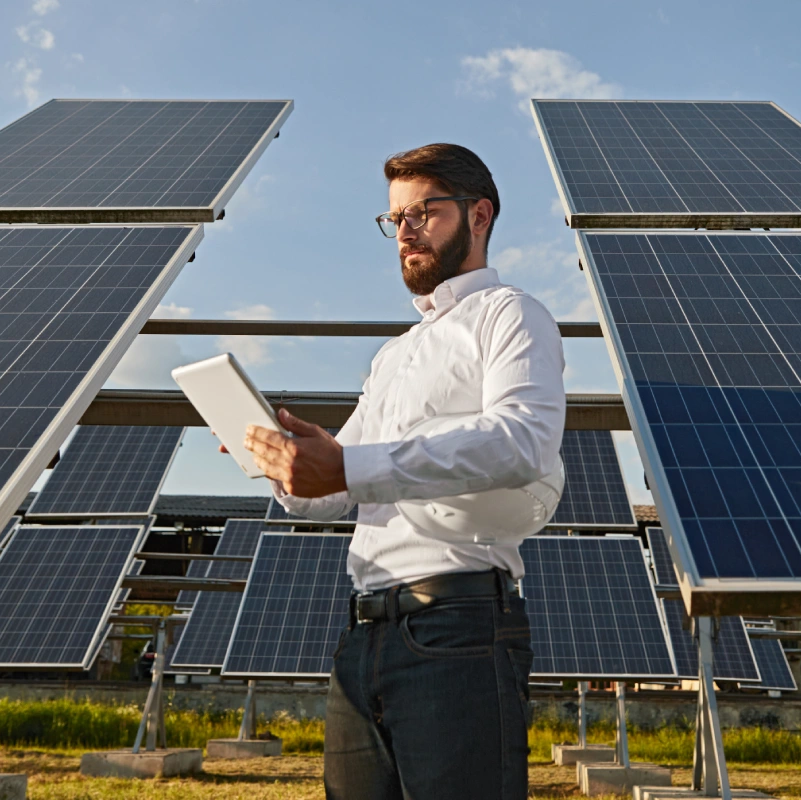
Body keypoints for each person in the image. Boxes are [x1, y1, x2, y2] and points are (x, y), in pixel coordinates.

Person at [238, 143, 566, 800]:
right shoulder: (394, 355)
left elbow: (523, 441)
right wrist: (285, 466)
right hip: (364, 637)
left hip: (457, 630)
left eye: (423, 212)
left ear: (479, 215)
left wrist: (350, 464)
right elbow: (332, 495)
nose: (405, 231)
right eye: (395, 219)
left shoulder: (509, 315)